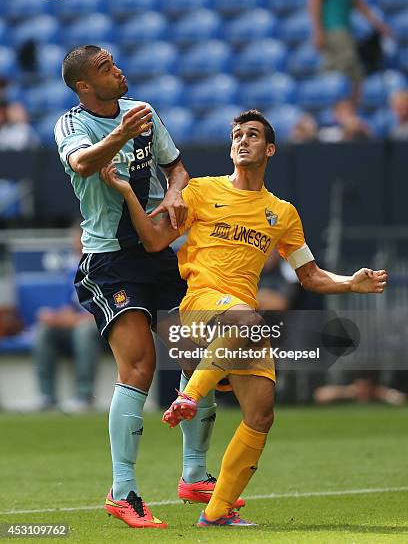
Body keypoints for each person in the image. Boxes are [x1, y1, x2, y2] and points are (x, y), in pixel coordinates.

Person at [101, 108, 388, 527]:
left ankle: (216, 513)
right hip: (199, 307)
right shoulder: (199, 192)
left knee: (261, 413)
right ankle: (190, 395)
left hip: (240, 323)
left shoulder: (282, 213)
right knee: (247, 319)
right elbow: (153, 239)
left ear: (269, 149)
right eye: (237, 134)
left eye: (252, 135)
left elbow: (310, 275)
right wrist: (128, 192)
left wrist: (350, 283)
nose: (243, 140)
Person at [55, 45, 224, 529]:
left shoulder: (142, 113)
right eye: (106, 69)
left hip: (157, 254)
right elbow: (84, 164)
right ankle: (123, 490)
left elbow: (177, 167)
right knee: (141, 365)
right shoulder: (71, 124)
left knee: (197, 356)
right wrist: (120, 137)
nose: (118, 70)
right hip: (109, 259)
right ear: (86, 86)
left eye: (114, 62)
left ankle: (194, 474)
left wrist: (174, 193)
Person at [309, 0, 390, 103]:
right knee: (349, 73)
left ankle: (343, 112)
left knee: (347, 73)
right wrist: (318, 31)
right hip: (333, 29)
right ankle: (344, 113)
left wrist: (377, 23)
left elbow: (356, 1)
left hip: (344, 28)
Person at [33, 225, 100, 412]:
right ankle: (47, 397)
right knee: (45, 330)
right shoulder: (72, 269)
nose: (75, 244)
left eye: (79, 239)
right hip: (76, 323)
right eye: (74, 240)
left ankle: (84, 396)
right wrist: (54, 317)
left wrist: (77, 319)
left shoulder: (102, 265)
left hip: (101, 326)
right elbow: (69, 306)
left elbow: (104, 308)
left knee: (84, 331)